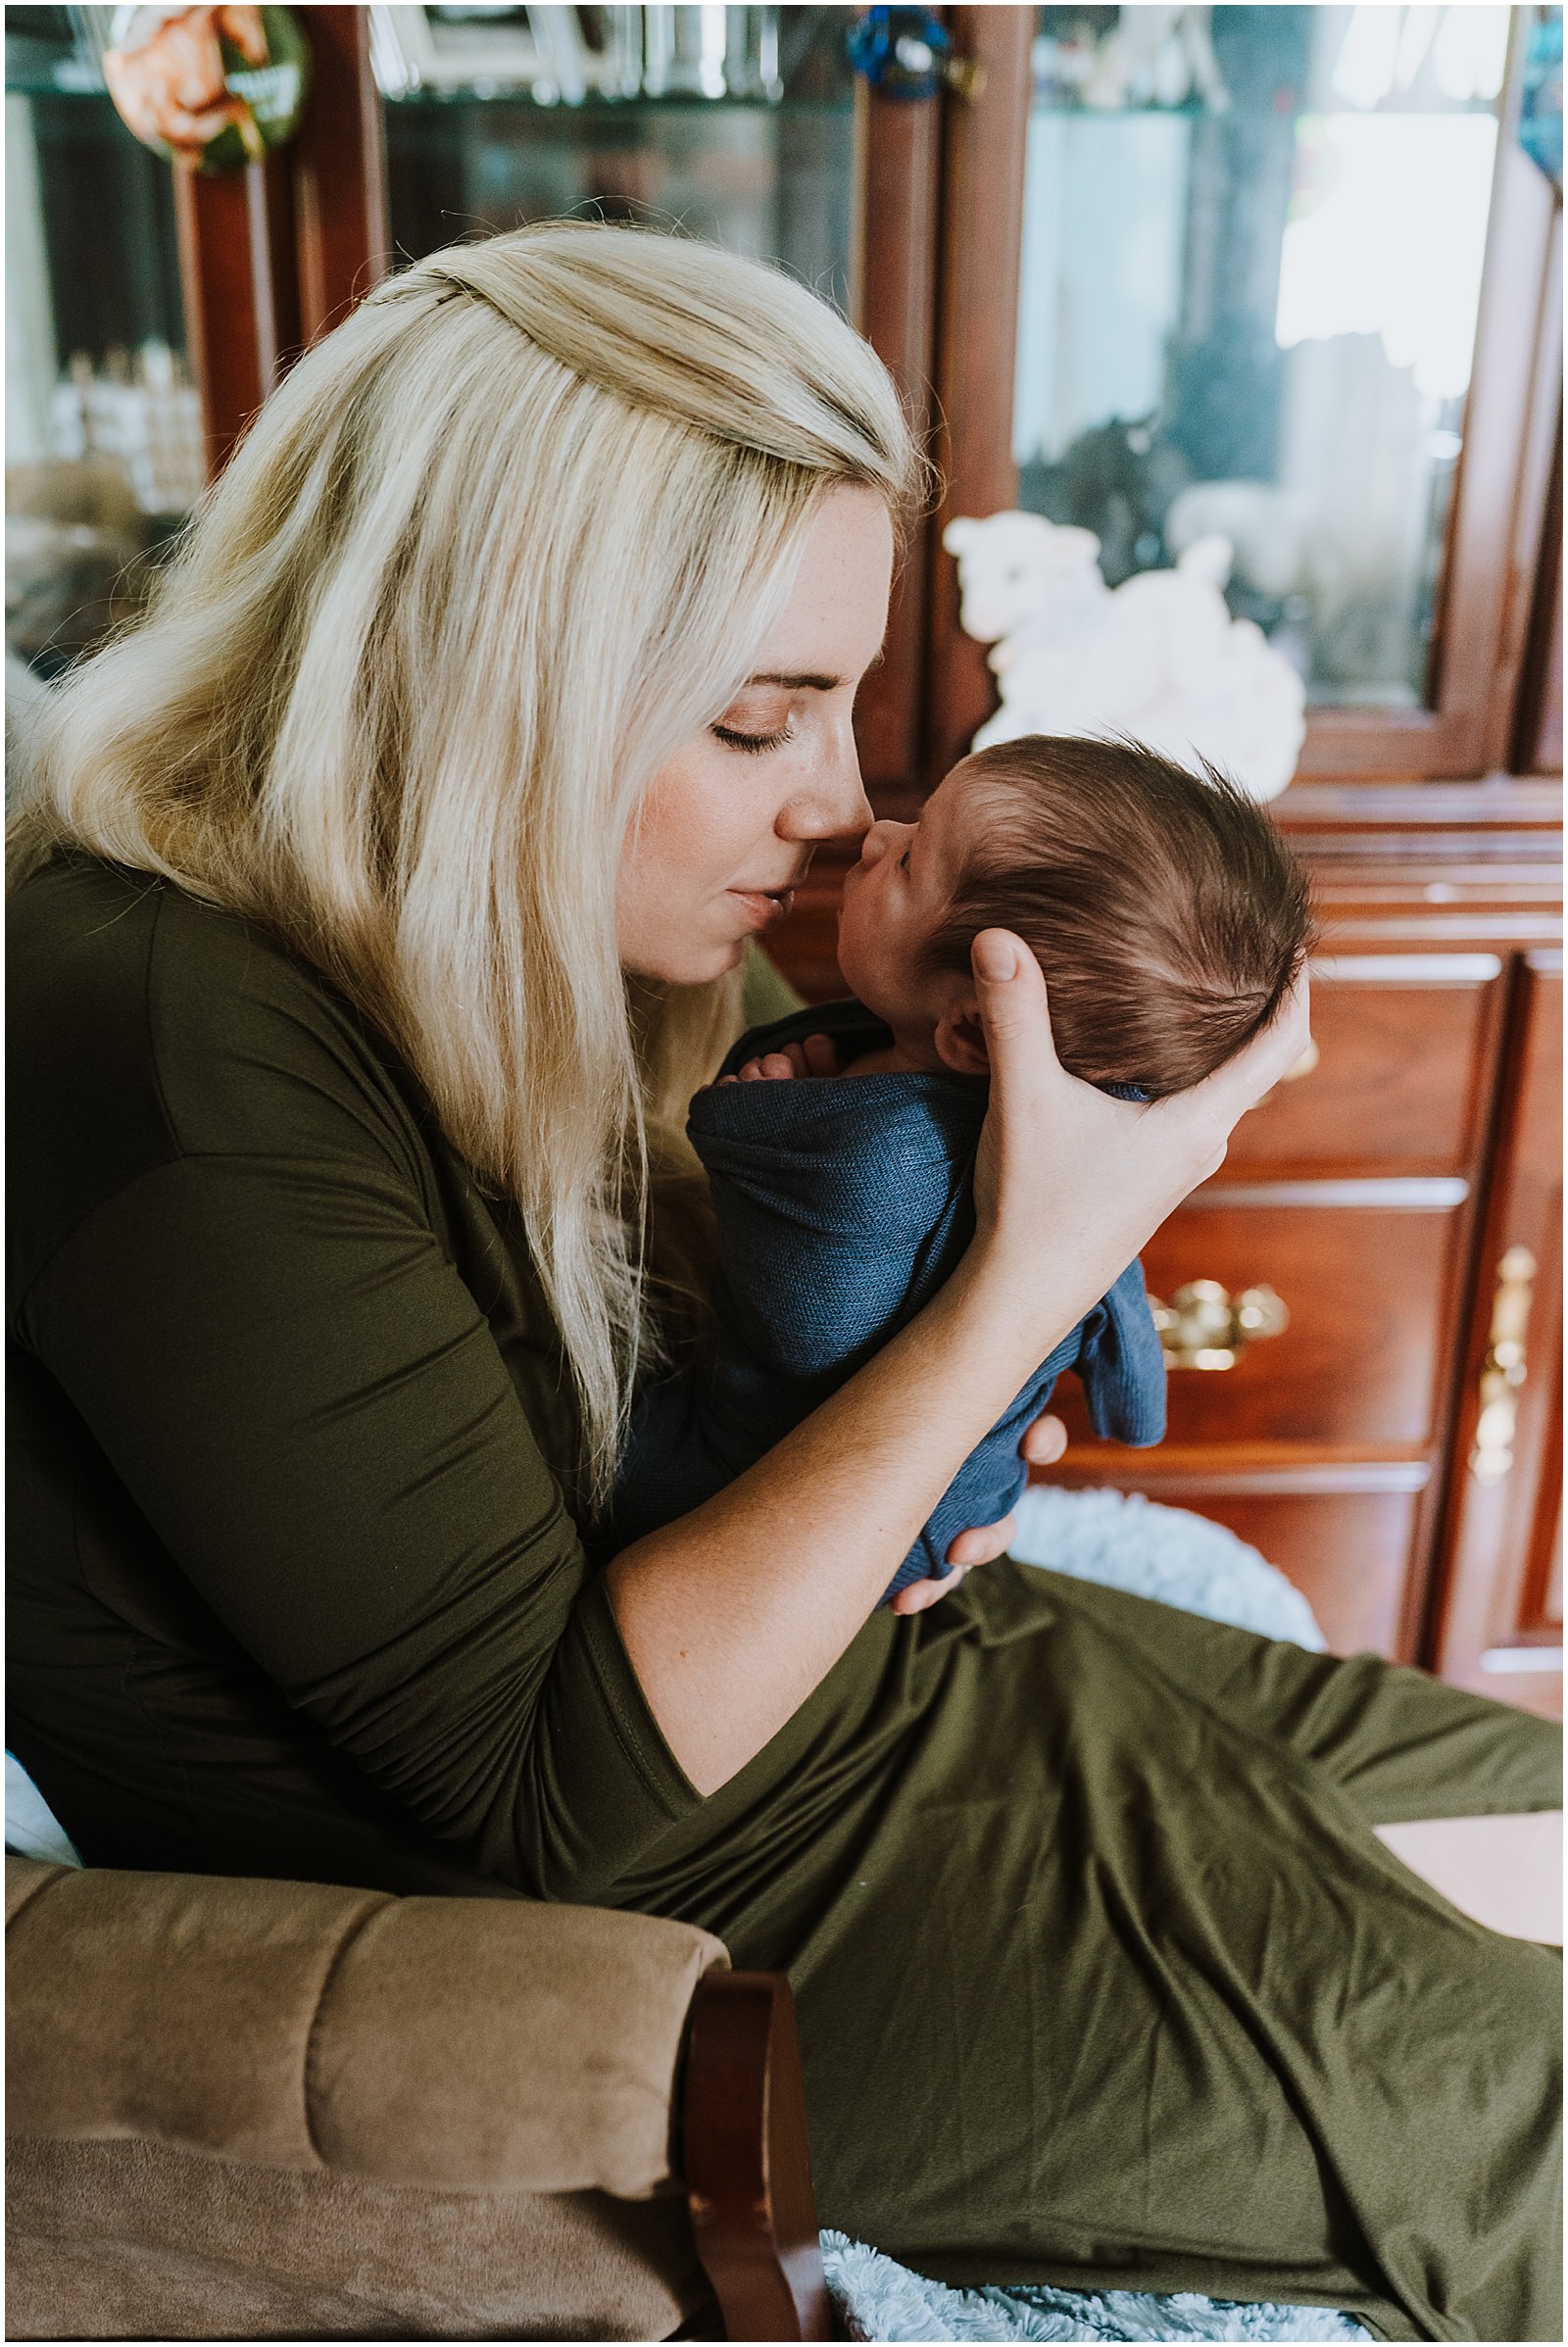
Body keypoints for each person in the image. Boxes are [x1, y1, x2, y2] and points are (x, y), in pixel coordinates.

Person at [7, 223, 1559, 2342]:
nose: (836, 805)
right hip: (689, 1907)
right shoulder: (170, 1041)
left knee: (1539, 1810)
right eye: (761, 718)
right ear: (493, 679)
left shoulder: (548, 905)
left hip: (880, 1696)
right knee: (1522, 2131)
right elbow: (548, 1792)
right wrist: (1026, 1292)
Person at [611, 737, 1312, 1603]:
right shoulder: (1049, 1152)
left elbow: (803, 1327)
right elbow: (1106, 1282)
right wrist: (1129, 1400)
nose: (874, 830)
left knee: (616, 1473)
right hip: (938, 1501)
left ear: (973, 1031)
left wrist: (758, 1126)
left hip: (774, 1502)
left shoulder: (885, 1161)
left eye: (909, 861)